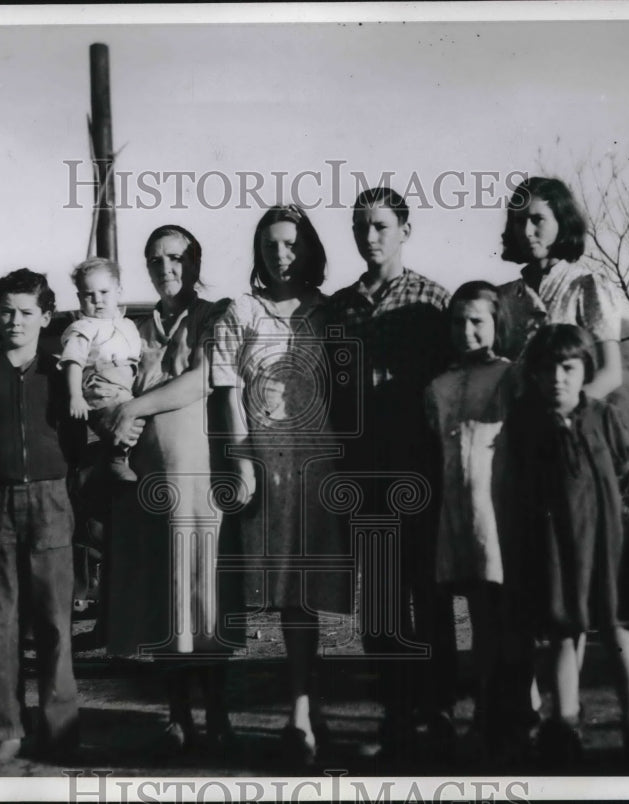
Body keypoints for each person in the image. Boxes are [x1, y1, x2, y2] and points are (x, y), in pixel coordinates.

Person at [211, 205, 351, 766]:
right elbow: (226, 388)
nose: (281, 254)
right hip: (264, 461)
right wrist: (242, 460)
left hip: (318, 464)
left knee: (305, 596)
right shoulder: (239, 311)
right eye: (270, 245)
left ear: (308, 247)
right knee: (266, 593)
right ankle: (234, 717)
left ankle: (301, 712)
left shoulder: (329, 311)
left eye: (290, 244)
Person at [103, 225, 242, 757]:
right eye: (156, 258)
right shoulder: (135, 327)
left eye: (177, 257)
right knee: (168, 601)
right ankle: (178, 717)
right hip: (151, 479)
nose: (167, 267)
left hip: (199, 478)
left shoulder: (214, 315)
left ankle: (221, 717)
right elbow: (108, 383)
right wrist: (113, 421)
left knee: (204, 599)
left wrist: (132, 408)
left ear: (195, 260)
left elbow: (203, 379)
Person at [326, 187, 454, 759]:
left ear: (405, 228)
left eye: (380, 226)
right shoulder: (340, 306)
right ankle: (396, 713)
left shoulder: (433, 300)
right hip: (364, 469)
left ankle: (439, 710)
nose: (370, 237)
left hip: (421, 464)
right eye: (361, 227)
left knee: (430, 594)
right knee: (380, 599)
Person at [500, 323, 629, 767]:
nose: (557, 378)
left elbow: (624, 469)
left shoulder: (603, 416)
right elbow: (518, 488)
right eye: (546, 370)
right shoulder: (525, 421)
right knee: (565, 631)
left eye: (568, 367)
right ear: (534, 375)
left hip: (605, 545)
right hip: (555, 549)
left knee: (618, 630)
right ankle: (565, 723)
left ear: (585, 367)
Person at [0, 269, 81, 765]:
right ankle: (0, 728)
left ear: (46, 317)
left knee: (54, 622)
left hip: (51, 502)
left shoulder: (59, 374)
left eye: (27, 312)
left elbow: (73, 441)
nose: (15, 321)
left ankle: (60, 727)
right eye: (6, 311)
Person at [422, 281, 514, 760]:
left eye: (477, 320)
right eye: (458, 321)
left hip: (493, 518)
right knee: (460, 616)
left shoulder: (508, 377)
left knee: (493, 617)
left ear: (497, 323)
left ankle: (497, 717)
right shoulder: (437, 386)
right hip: (452, 516)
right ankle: (462, 717)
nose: (467, 330)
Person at [497, 176, 622, 399]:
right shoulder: (502, 296)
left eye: (538, 219)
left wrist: (565, 414)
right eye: (519, 221)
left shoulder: (585, 287)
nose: (526, 230)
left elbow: (611, 373)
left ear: (562, 222)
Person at [60, 257, 142, 482]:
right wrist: (76, 396)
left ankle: (124, 459)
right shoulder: (83, 328)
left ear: (119, 291)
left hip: (125, 385)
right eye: (89, 295)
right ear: (79, 298)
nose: (98, 300)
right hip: (102, 385)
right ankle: (115, 460)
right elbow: (73, 362)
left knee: (140, 420)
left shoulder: (128, 325)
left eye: (104, 292)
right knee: (118, 421)